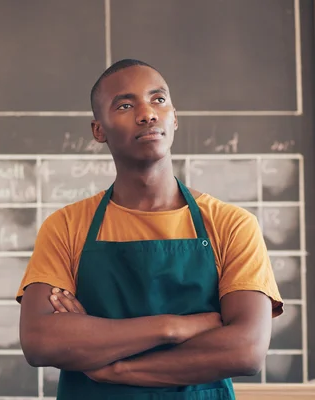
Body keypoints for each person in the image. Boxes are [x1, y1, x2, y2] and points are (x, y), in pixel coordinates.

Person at [16, 59, 283, 400]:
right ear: (99, 130)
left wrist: (116, 369)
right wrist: (174, 327)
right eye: (126, 105)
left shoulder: (231, 225)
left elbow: (246, 349)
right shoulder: (67, 226)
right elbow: (41, 341)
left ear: (174, 117)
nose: (147, 114)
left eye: (158, 100)